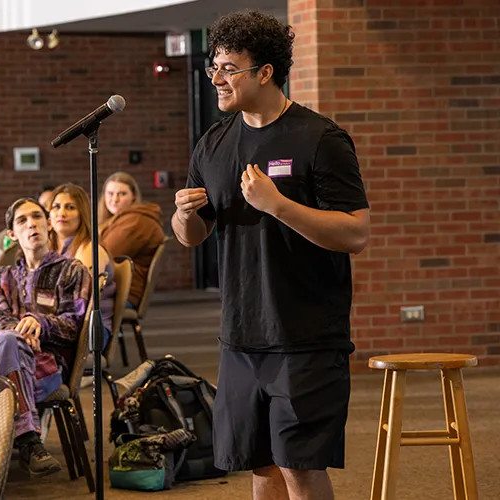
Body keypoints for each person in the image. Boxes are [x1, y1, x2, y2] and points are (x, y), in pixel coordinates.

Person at [171, 10, 370, 500]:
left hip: (304, 336)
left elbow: (355, 233)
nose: (216, 77)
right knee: (261, 467)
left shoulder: (321, 139)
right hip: (240, 335)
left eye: (229, 68)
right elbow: (191, 237)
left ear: (265, 73)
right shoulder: (213, 144)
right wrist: (183, 215)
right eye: (212, 67)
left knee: (300, 467)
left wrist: (278, 205)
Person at [0, 198, 91, 478]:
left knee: (2, 350)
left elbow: (75, 326)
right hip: (9, 359)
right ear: (12, 234)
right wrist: (23, 333)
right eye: (22, 220)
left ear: (49, 224)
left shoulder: (72, 271)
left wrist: (40, 322)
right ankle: (29, 441)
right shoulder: (1, 277)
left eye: (37, 217)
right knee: (7, 342)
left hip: (48, 368)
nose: (32, 224)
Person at [49, 183, 115, 348]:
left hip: (88, 333)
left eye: (70, 207)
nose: (61, 213)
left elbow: (77, 302)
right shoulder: (49, 249)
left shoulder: (90, 250)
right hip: (58, 325)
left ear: (82, 214)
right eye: (56, 207)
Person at [98, 172, 164, 309]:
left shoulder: (136, 221)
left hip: (123, 293)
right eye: (110, 193)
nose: (114, 199)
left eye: (122, 194)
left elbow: (103, 257)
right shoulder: (118, 219)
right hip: (111, 288)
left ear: (133, 196)